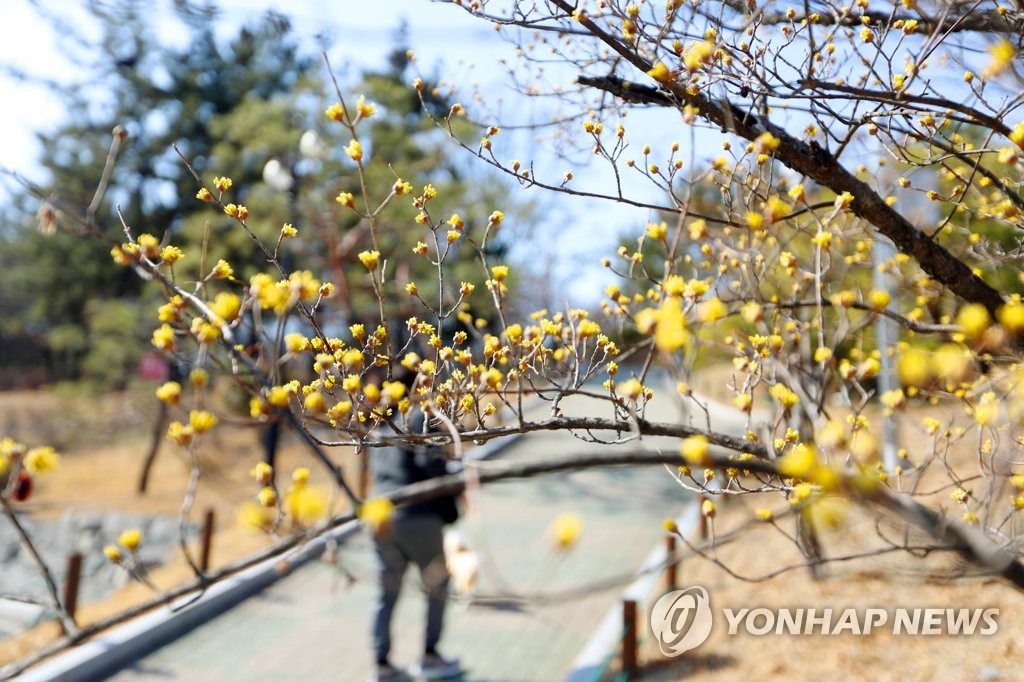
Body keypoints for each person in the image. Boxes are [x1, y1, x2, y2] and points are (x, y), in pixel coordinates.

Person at [368, 402, 463, 682]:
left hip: (381, 517)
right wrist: (454, 492)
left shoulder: (380, 422)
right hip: (418, 515)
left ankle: (382, 665)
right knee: (437, 586)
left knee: (387, 593)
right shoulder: (421, 415)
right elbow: (430, 462)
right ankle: (430, 656)